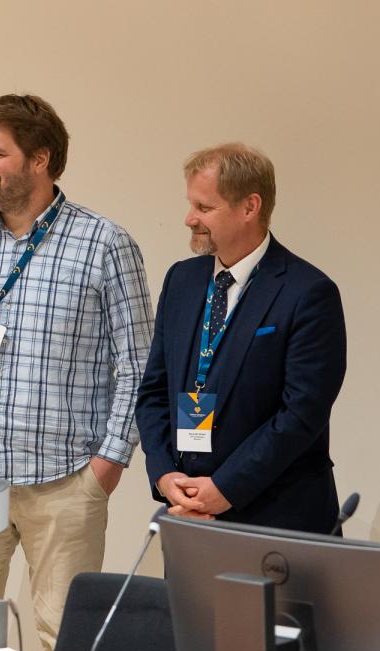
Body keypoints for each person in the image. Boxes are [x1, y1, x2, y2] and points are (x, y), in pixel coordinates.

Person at [0, 95, 153, 651]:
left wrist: (108, 464)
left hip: (63, 482)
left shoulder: (105, 244)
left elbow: (138, 364)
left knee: (64, 647)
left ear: (40, 160)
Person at [135, 143, 347, 534]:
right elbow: (153, 391)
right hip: (188, 510)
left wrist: (226, 487)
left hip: (277, 518)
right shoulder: (181, 280)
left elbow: (301, 414)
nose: (188, 218)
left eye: (204, 207)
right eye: (190, 204)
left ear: (250, 207)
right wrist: (165, 476)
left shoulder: (308, 292)